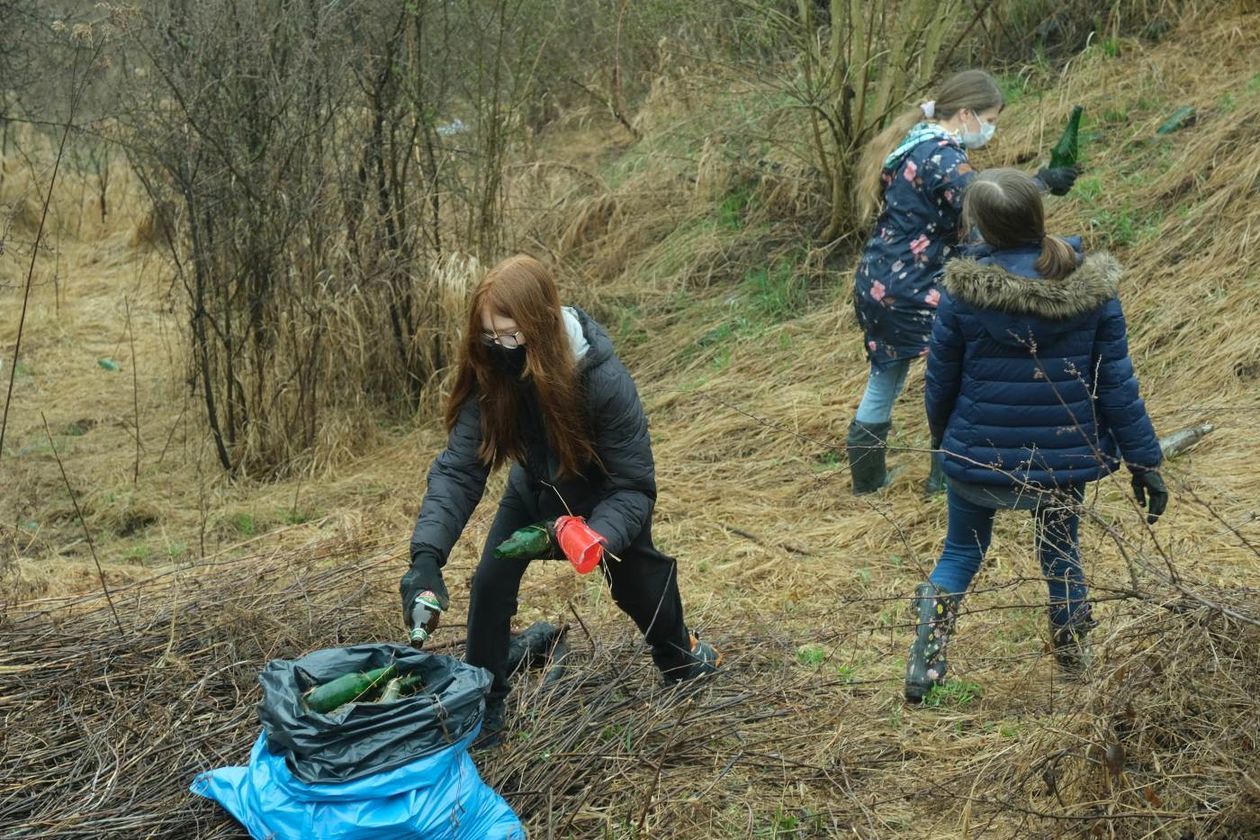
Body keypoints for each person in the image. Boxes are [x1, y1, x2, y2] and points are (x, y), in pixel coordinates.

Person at [400, 254, 720, 744]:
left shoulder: (601, 379)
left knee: (639, 585)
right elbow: (461, 469)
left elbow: (634, 485)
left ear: (541, 326)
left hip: (603, 504)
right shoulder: (494, 372)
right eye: (490, 336)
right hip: (533, 494)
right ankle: (485, 707)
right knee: (490, 584)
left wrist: (595, 534)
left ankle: (681, 656)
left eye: (511, 336)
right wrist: (425, 558)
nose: (501, 348)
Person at [903, 168, 1168, 703]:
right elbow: (1117, 384)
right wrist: (1146, 462)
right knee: (1061, 551)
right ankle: (1074, 659)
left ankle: (925, 668)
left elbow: (940, 382)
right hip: (1061, 462)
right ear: (1038, 217)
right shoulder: (1089, 291)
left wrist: (946, 442)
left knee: (959, 554)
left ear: (979, 226)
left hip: (979, 457)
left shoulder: (963, 294)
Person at [847, 70, 1079, 495]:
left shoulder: (916, 141)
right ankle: (947, 480)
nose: (991, 129)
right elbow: (988, 201)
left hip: (880, 281)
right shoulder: (943, 154)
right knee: (954, 375)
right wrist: (1043, 182)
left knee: (886, 377)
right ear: (967, 114)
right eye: (990, 118)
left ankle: (868, 483)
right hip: (915, 287)